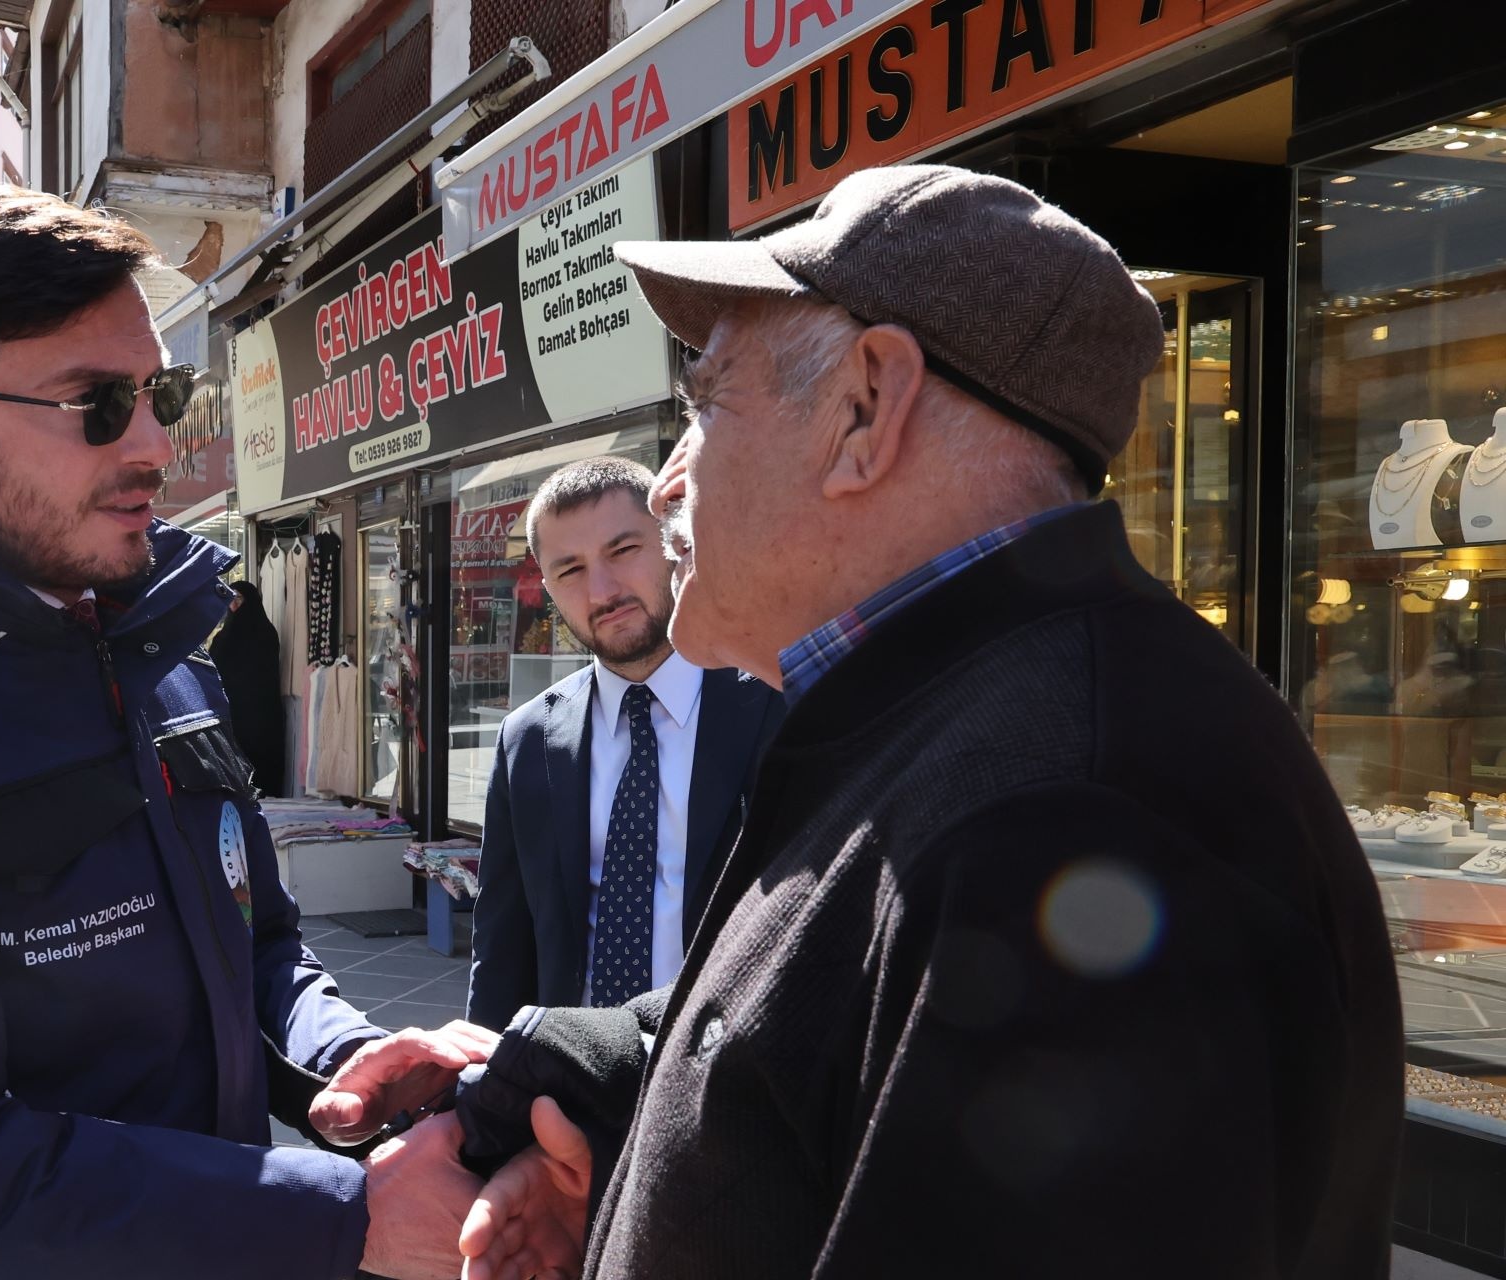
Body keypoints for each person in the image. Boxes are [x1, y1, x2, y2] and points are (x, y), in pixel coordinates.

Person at [444, 165, 1404, 1278]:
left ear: (865, 406)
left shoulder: (1073, 805)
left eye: (705, 406)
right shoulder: (955, 717)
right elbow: (815, 1029)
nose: (665, 486)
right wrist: (581, 1085)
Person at [0, 185, 488, 1280]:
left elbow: (256, 950)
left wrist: (346, 1058)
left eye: (162, 392)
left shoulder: (157, 646)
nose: (159, 443)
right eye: (97, 404)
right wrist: (343, 1214)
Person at [467, 457, 781, 1031]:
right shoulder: (529, 739)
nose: (603, 591)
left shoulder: (775, 704)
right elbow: (502, 951)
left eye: (622, 551)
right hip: (569, 1087)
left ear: (673, 543)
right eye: (570, 570)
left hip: (723, 1085)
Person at [209, 578, 287, 797]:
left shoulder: (265, 633)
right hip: (231, 708)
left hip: (259, 710)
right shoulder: (223, 636)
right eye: (230, 598)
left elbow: (265, 672)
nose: (233, 603)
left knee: (259, 757)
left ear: (250, 600)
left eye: (239, 598)